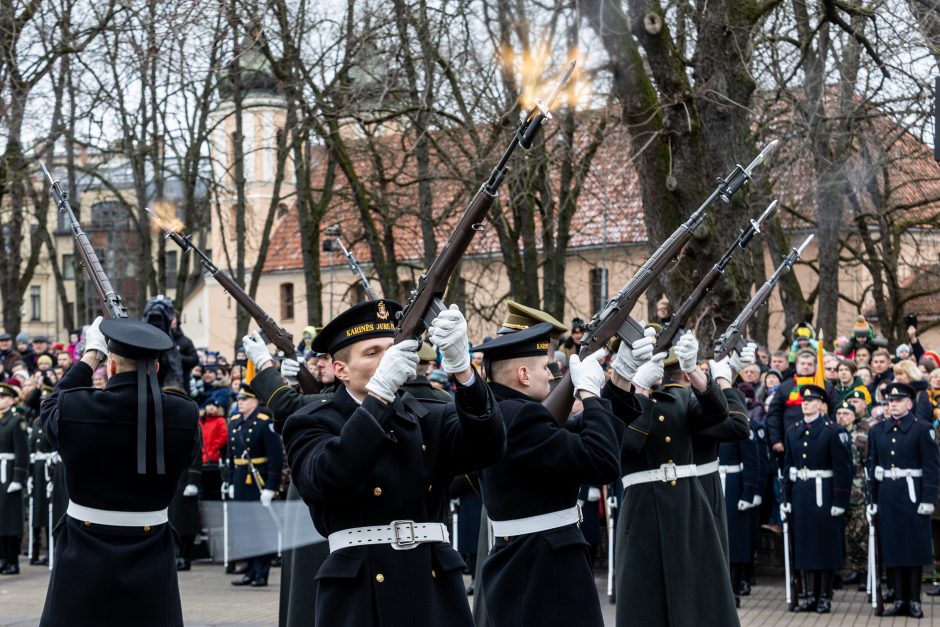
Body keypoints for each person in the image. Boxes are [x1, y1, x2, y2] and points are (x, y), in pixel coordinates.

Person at [282, 299, 505, 627]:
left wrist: (464, 372)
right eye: (372, 353)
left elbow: (488, 449)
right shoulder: (312, 420)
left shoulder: (429, 413)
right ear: (341, 370)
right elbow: (328, 478)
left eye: (391, 348)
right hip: (361, 591)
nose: (388, 359)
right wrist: (379, 397)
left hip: (432, 582)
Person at [472, 323, 640, 627]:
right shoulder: (521, 418)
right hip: (542, 569)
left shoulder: (506, 413)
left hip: (535, 562)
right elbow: (602, 462)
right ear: (523, 375)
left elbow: (580, 437)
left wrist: (621, 377)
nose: (552, 374)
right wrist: (589, 393)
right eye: (545, 367)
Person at [38, 316, 199, 626]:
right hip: (152, 549)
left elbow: (49, 407)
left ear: (110, 367)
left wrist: (89, 356)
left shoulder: (77, 406)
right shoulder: (184, 413)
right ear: (155, 368)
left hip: (83, 547)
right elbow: (188, 455)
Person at [616, 332, 740, 626]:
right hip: (643, 509)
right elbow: (628, 444)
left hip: (688, 507)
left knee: (698, 598)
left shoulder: (681, 397)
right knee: (646, 600)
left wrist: (696, 372)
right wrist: (640, 393)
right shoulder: (620, 403)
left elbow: (719, 415)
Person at [867, 382, 940, 618]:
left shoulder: (922, 428)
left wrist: (929, 498)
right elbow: (872, 465)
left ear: (909, 403)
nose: (893, 404)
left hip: (913, 494)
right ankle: (898, 598)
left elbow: (931, 466)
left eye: (898, 401)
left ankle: (914, 599)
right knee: (893, 547)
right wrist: (873, 498)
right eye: (890, 401)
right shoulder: (878, 431)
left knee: (913, 548)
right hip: (889, 494)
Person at [780, 384, 852, 614]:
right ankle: (809, 595)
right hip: (802, 494)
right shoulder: (793, 430)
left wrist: (840, 502)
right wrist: (787, 497)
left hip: (825, 494)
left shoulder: (833, 431)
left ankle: (824, 596)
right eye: (804, 401)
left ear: (821, 405)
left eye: (811, 401)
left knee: (824, 546)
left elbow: (843, 469)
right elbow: (788, 466)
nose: (806, 404)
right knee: (804, 546)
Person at [227, 382, 284, 588]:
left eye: (244, 399)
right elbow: (231, 456)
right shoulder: (234, 422)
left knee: (261, 529)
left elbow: (275, 458)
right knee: (246, 529)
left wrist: (271, 487)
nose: (240, 403)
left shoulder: (263, 423)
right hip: (241, 482)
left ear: (255, 401)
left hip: (258, 482)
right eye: (239, 400)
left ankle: (261, 573)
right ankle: (250, 571)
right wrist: (229, 481)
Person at [833, 399, 870, 590]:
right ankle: (842, 571)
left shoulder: (861, 436)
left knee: (859, 533)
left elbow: (867, 463)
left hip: (857, 490)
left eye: (846, 414)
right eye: (839, 413)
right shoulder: (832, 433)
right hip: (837, 489)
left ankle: (863, 571)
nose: (842, 417)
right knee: (840, 534)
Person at [0, 380, 27, 575]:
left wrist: (18, 478)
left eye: (3, 397)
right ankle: (2, 559)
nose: (0, 400)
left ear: (12, 400)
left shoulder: (17, 420)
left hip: (9, 473)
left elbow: (22, 452)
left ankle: (12, 560)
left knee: (10, 519)